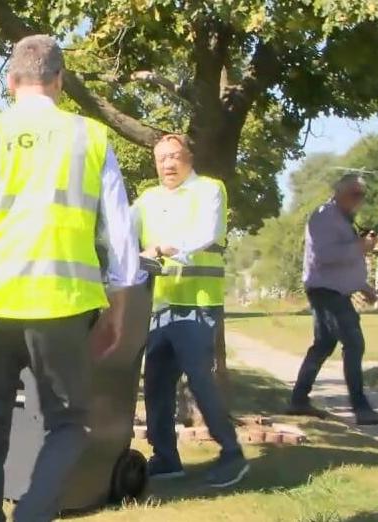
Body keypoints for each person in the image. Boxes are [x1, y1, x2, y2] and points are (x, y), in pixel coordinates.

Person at [0, 34, 140, 522]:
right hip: (61, 307)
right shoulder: (91, 137)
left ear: (12, 82)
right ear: (59, 81)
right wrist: (120, 307)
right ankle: (33, 513)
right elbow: (121, 233)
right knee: (68, 424)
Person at [132, 134, 249, 488]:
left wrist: (171, 247)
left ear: (189, 157)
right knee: (156, 384)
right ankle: (166, 458)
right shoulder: (148, 199)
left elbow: (208, 231)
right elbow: (121, 230)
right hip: (160, 304)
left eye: (174, 156)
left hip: (197, 303)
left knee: (199, 379)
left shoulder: (209, 189)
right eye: (161, 159)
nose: (167, 164)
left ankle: (232, 454)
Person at [287, 174, 378, 426]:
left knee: (323, 345)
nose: (359, 200)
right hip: (326, 291)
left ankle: (299, 400)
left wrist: (362, 285)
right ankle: (361, 409)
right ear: (339, 192)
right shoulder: (325, 217)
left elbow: (343, 265)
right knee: (354, 343)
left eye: (362, 195)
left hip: (332, 290)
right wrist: (361, 246)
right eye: (355, 194)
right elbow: (324, 256)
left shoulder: (342, 219)